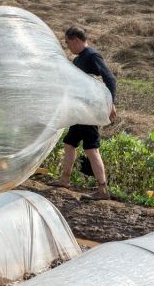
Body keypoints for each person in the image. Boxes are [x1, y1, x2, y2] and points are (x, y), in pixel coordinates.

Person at [50, 26, 118, 200]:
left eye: (68, 42)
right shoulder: (79, 59)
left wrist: (110, 103)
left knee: (91, 149)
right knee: (70, 143)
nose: (67, 47)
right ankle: (64, 180)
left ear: (76, 40)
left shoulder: (91, 56)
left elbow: (110, 78)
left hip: (89, 112)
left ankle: (103, 190)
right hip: (80, 111)